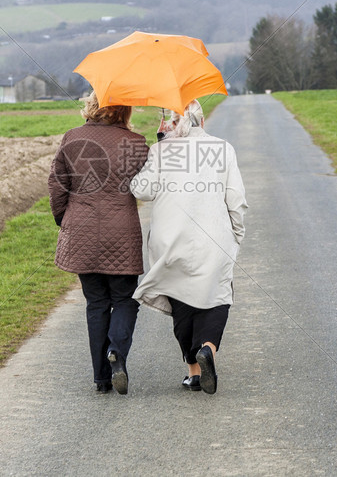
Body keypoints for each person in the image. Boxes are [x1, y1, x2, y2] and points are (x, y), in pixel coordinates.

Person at [130, 99, 247, 394]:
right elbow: (236, 199)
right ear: (202, 122)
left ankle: (194, 374)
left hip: (171, 240)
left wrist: (160, 143)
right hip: (215, 238)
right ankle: (207, 349)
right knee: (217, 295)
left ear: (172, 123)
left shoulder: (161, 150)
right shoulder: (223, 149)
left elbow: (141, 190)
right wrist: (237, 234)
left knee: (181, 299)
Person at [48, 91, 149, 395]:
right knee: (125, 299)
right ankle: (116, 351)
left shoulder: (72, 138)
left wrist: (64, 219)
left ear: (92, 106)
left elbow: (57, 184)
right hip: (122, 231)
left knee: (96, 303)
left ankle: (101, 378)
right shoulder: (136, 144)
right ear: (125, 109)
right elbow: (148, 185)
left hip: (81, 230)